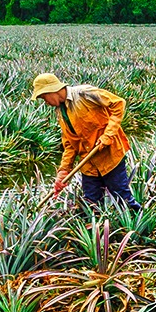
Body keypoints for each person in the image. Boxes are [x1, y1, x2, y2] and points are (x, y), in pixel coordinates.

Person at [30, 72, 137, 209]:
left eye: (44, 97)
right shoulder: (60, 112)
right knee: (91, 203)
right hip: (88, 163)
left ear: (52, 90)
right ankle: (97, 229)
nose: (46, 102)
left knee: (123, 199)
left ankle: (141, 227)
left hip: (109, 157)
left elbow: (118, 104)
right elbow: (69, 143)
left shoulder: (84, 93)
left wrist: (108, 135)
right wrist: (64, 170)